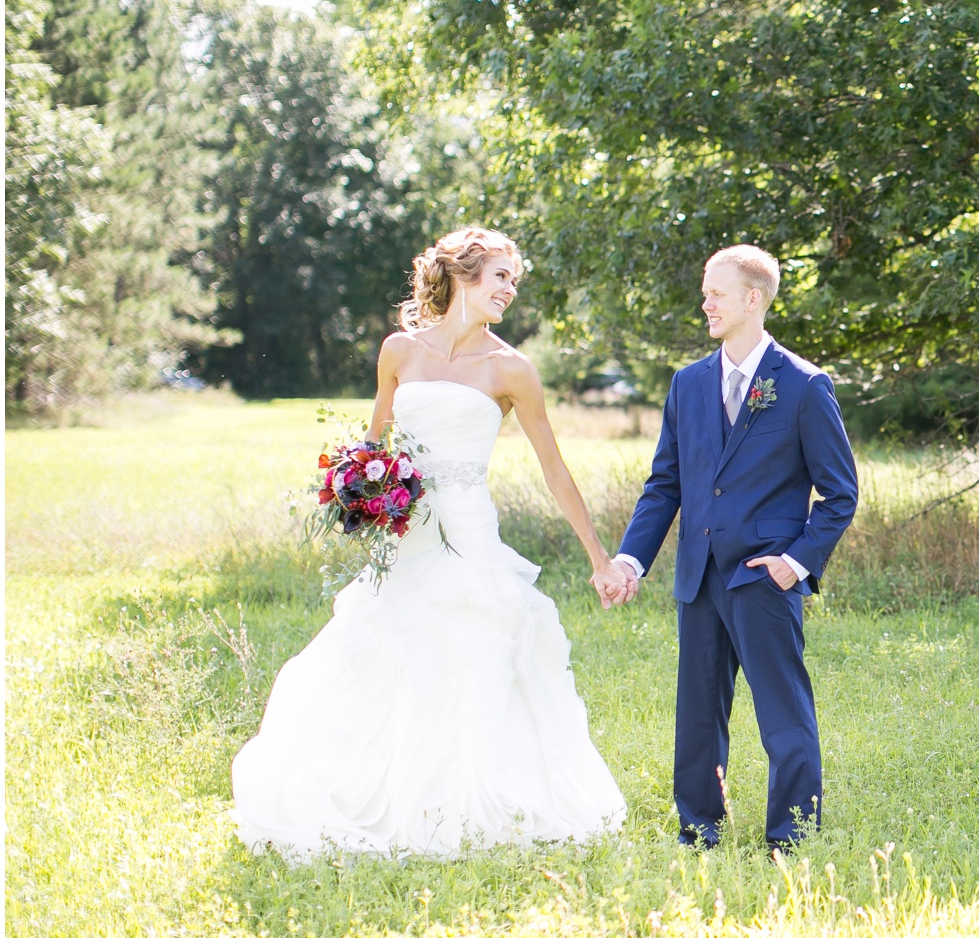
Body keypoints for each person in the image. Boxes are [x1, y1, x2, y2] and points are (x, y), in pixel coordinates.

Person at [232, 228, 631, 860]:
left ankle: (470, 801)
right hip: (409, 528)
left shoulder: (511, 368)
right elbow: (374, 445)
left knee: (475, 648)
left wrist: (599, 558)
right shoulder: (400, 350)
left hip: (471, 528)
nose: (511, 290)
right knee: (393, 644)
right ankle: (387, 790)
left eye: (514, 280)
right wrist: (359, 489)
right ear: (464, 275)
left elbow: (554, 469)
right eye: (502, 276)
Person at [607, 245, 859, 850]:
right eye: (704, 291)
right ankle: (699, 832)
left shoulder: (802, 385)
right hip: (698, 577)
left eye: (716, 292)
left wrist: (793, 563)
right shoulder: (689, 384)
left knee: (783, 716)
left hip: (762, 579)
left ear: (753, 299)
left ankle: (791, 838)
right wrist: (629, 558)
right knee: (697, 719)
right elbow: (665, 483)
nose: (706, 302)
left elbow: (840, 493)